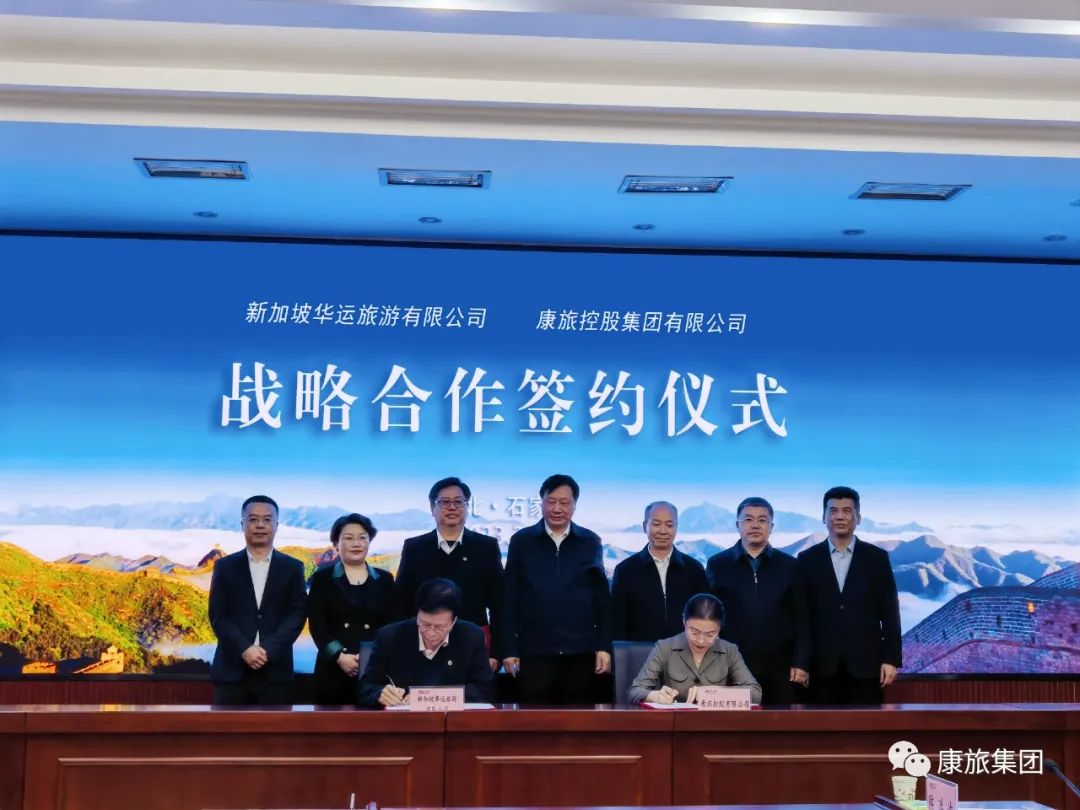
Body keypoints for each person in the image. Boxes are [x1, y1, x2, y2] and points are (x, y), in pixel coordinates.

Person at [501, 474, 612, 704]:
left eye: (564, 502)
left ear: (574, 505)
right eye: (551, 502)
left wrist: (603, 646)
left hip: (580, 651)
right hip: (534, 651)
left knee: (578, 719)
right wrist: (509, 649)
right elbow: (509, 598)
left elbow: (602, 600)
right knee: (534, 719)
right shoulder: (522, 541)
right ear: (541, 502)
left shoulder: (590, 541)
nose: (557, 508)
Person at [797, 486, 902, 705]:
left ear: (858, 517)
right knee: (821, 725)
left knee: (866, 725)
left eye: (847, 511)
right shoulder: (807, 559)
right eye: (833, 510)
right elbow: (801, 617)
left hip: (866, 666)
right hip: (820, 667)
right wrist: (800, 662)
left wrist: (891, 659)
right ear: (824, 517)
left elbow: (890, 613)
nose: (840, 516)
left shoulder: (876, 558)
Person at [706, 496, 810, 705]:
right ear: (738, 525)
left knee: (780, 722)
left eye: (762, 520)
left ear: (771, 526)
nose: (755, 525)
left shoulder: (789, 566)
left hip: (781, 667)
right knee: (736, 723)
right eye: (748, 519)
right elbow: (708, 618)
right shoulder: (718, 564)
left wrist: (801, 662)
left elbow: (802, 618)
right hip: (731, 664)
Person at [395, 477, 503, 671]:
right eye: (444, 502)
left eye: (459, 502)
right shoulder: (414, 548)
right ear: (432, 507)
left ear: (467, 507)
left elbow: (499, 604)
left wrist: (496, 652)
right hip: (423, 645)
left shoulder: (486, 547)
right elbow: (401, 602)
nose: (452, 507)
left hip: (472, 645)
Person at [208, 495, 307, 705]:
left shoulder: (293, 568)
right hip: (232, 672)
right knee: (227, 727)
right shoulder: (225, 567)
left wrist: (268, 650)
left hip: (276, 672)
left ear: (277, 525)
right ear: (242, 524)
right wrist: (244, 649)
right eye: (253, 519)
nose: (260, 525)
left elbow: (297, 615)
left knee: (276, 728)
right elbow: (218, 616)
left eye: (267, 519)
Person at [357, 578, 494, 708]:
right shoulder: (389, 637)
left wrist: (430, 696)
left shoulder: (470, 637)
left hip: (453, 720)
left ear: (453, 621)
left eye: (440, 627)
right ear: (417, 614)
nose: (431, 633)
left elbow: (484, 689)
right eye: (425, 624)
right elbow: (365, 687)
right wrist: (379, 694)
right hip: (403, 720)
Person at [307, 513, 397, 705]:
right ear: (336, 544)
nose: (356, 543)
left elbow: (390, 626)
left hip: (373, 670)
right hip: (332, 670)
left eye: (362, 537)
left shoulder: (385, 580)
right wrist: (339, 656)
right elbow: (317, 626)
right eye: (348, 538)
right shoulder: (322, 579)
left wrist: (368, 658)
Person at [627, 593, 761, 705]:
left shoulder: (729, 650)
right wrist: (655, 696)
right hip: (676, 722)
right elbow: (634, 691)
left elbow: (755, 693)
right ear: (684, 622)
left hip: (716, 722)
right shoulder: (665, 647)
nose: (701, 640)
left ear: (720, 629)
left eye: (710, 635)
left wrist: (714, 693)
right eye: (695, 632)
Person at [612, 501, 708, 642]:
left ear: (676, 527)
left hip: (686, 651)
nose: (663, 531)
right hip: (640, 651)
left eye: (669, 525)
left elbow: (705, 616)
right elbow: (616, 621)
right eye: (656, 524)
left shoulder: (694, 569)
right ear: (645, 526)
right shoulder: (625, 571)